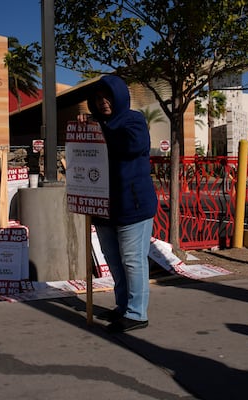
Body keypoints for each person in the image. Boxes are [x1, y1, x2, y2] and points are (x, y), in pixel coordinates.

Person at [80, 75, 158, 333]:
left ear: (119, 97)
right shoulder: (97, 124)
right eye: (98, 98)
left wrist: (99, 130)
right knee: (114, 261)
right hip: (104, 208)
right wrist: (85, 129)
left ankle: (137, 313)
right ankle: (124, 306)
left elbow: (132, 144)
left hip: (132, 206)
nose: (103, 103)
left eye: (108, 97)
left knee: (133, 260)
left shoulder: (133, 120)